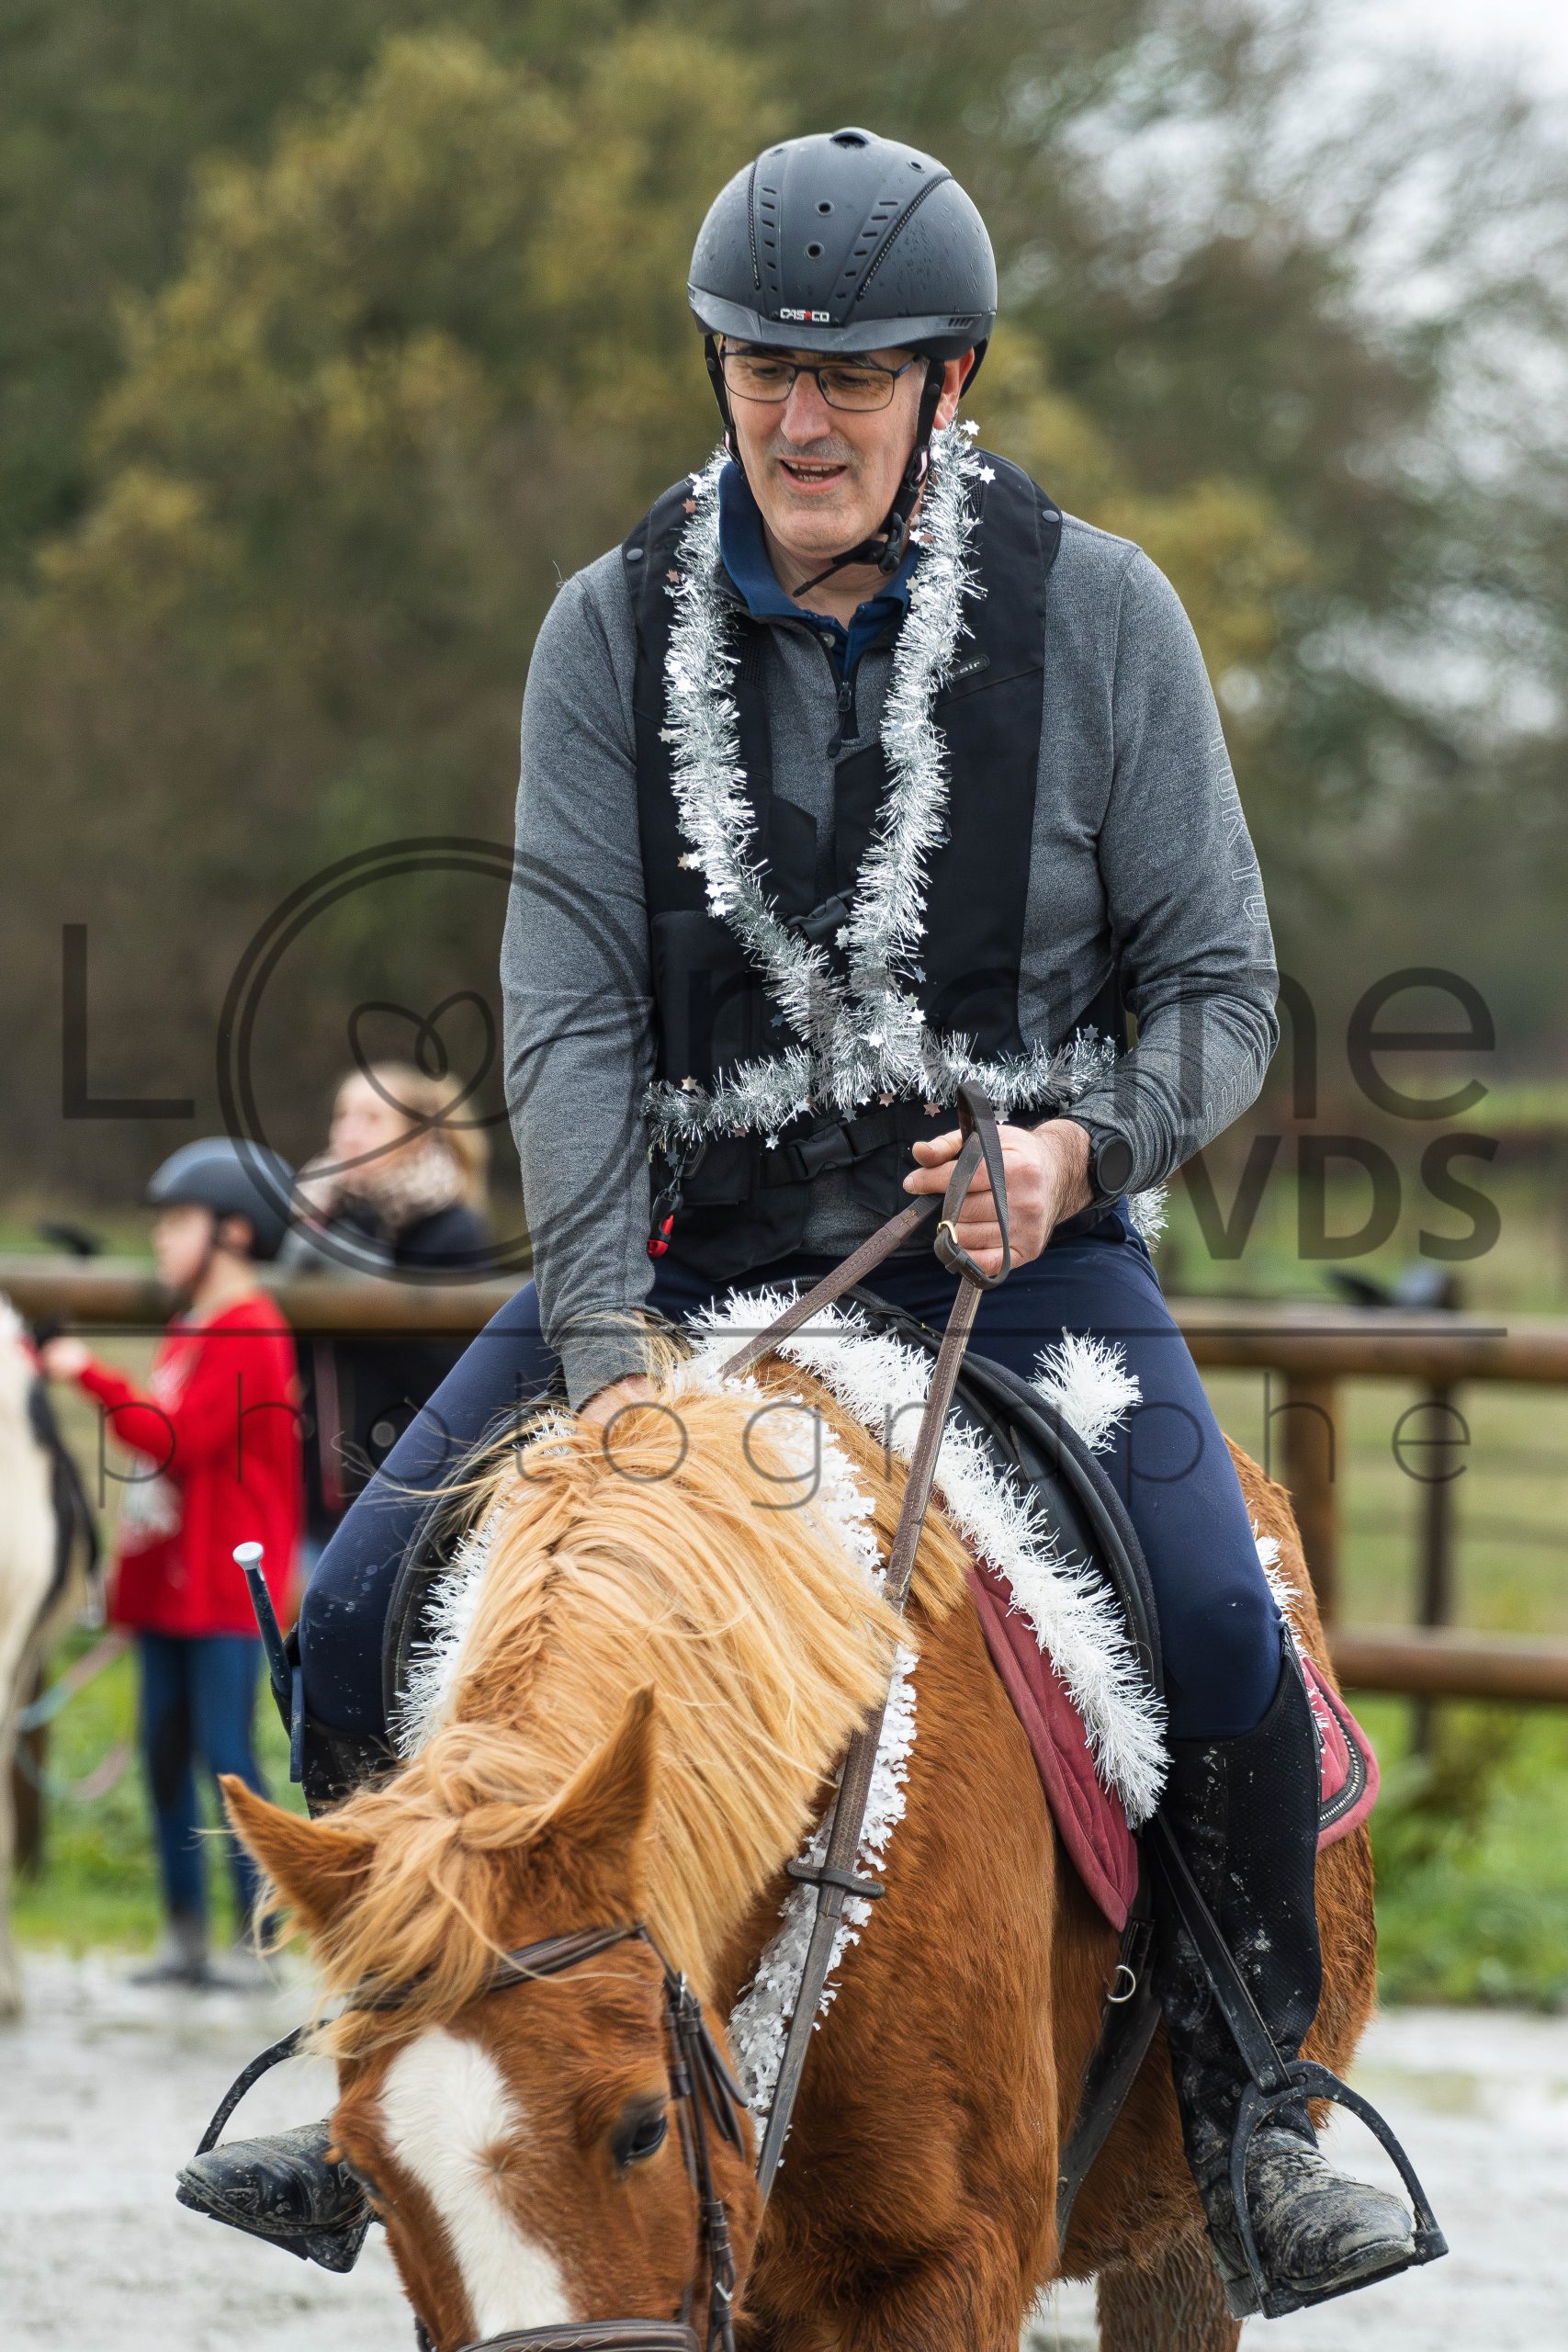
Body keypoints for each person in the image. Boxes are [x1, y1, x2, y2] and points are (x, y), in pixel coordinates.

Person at [181, 129, 1417, 2314]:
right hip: (677, 1258)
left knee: (1218, 1630)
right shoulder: (605, 626)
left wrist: (1071, 1151)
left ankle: (1252, 2119)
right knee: (362, 1601)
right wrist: (600, 1365)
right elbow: (566, 1010)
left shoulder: (1101, 614)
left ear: (951, 381)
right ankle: (389, 2046)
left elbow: (1217, 989)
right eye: (761, 366)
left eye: (851, 375)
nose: (800, 415)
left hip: (1011, 1258)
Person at [40, 1139, 300, 1988]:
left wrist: (88, 1373)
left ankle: (256, 1940)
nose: (160, 1236)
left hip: (222, 1593)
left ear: (233, 1231)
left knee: (227, 1761)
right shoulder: (192, 1327)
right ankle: (185, 1936)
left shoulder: (252, 1329)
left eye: (178, 1220)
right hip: (168, 1590)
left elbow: (174, 1438)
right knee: (162, 1759)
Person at [277, 1062, 492, 1566]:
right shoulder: (317, 1221)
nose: (350, 1132)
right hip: (311, 1501)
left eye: (372, 1118)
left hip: (409, 1504)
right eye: (343, 1116)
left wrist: (365, 1291)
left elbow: (457, 1375)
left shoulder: (451, 1230)